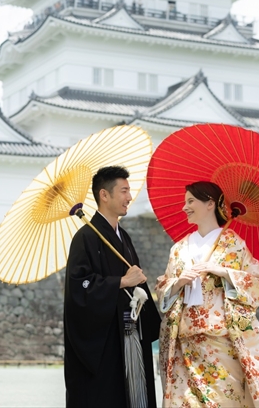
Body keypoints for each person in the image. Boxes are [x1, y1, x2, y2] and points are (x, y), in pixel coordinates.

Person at [156, 181, 259, 408]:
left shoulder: (233, 245)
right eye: (185, 202)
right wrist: (179, 281)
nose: (185, 207)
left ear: (210, 203)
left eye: (191, 201)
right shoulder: (179, 248)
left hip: (221, 341)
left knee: (222, 402)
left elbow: (258, 283)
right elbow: (162, 288)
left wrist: (224, 272)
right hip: (184, 342)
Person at [64, 166, 160, 408]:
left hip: (130, 331)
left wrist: (138, 283)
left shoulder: (123, 237)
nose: (129, 197)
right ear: (104, 195)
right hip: (105, 343)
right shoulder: (85, 238)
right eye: (124, 191)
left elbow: (134, 281)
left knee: (135, 395)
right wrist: (121, 281)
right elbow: (78, 289)